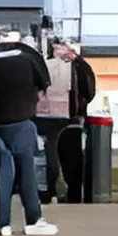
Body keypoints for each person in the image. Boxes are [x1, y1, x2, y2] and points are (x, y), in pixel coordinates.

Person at [0, 30, 56, 236]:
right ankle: (33, 219)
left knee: (5, 173)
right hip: (22, 120)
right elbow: (43, 83)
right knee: (27, 171)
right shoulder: (29, 55)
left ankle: (4, 224)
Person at [34, 41, 96, 204]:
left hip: (43, 115)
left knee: (48, 155)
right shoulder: (78, 66)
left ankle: (47, 191)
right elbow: (89, 89)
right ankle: (74, 193)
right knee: (72, 157)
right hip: (70, 116)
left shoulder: (42, 64)